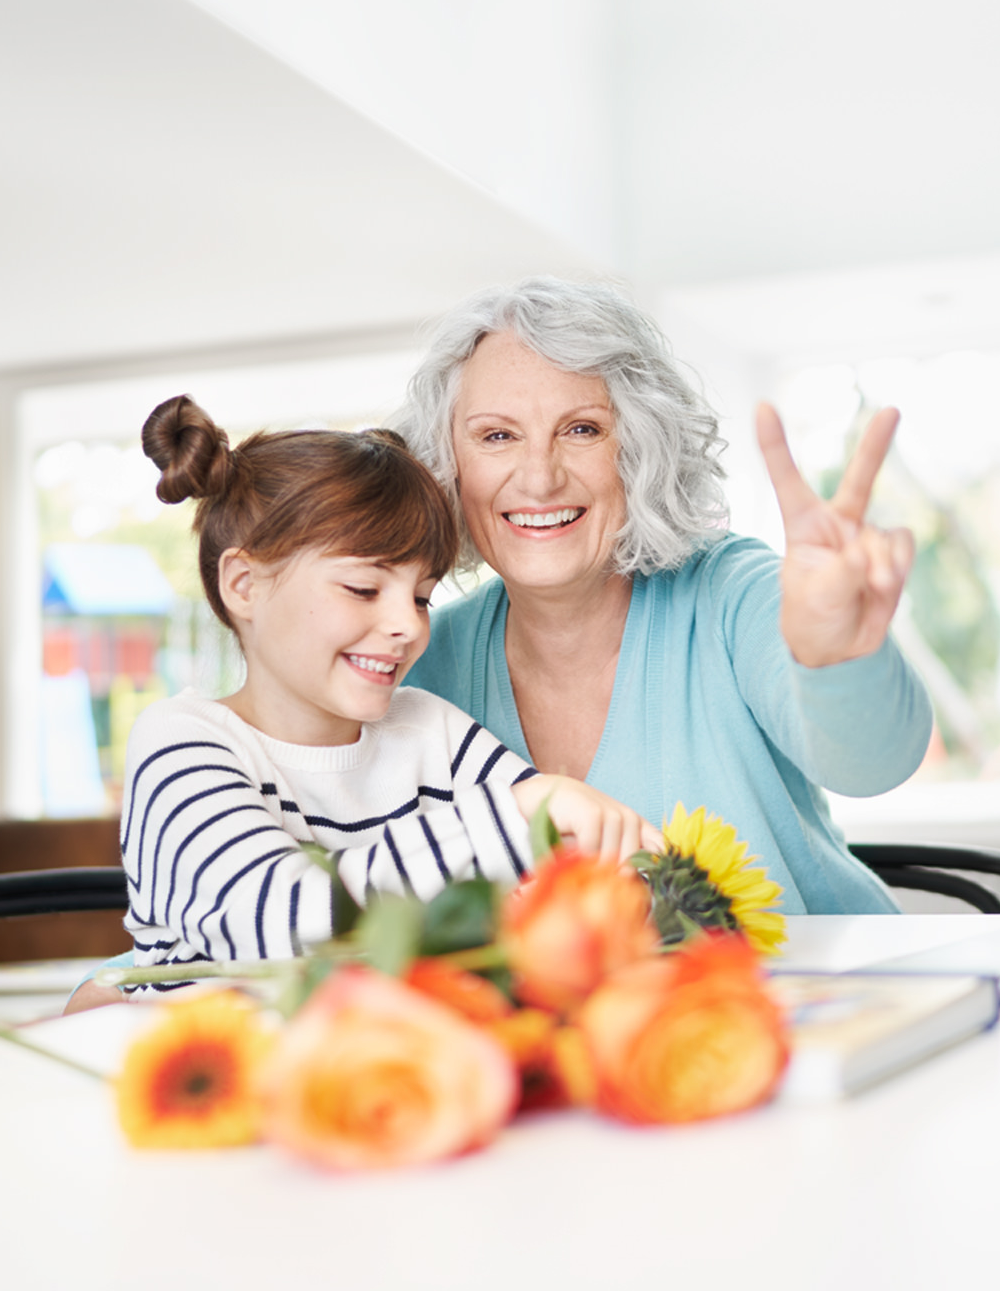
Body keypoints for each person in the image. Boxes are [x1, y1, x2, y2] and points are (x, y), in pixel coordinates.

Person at [394, 278, 929, 916]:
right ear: (447, 464)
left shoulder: (731, 593)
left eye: (582, 429)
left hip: (830, 998)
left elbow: (873, 765)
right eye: (497, 437)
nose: (538, 477)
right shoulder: (417, 657)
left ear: (640, 450)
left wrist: (839, 657)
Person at [115, 396, 656, 980]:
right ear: (244, 585)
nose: (408, 624)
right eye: (364, 589)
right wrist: (521, 814)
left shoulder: (427, 729)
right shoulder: (181, 743)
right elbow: (273, 921)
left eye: (422, 596)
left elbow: (557, 867)